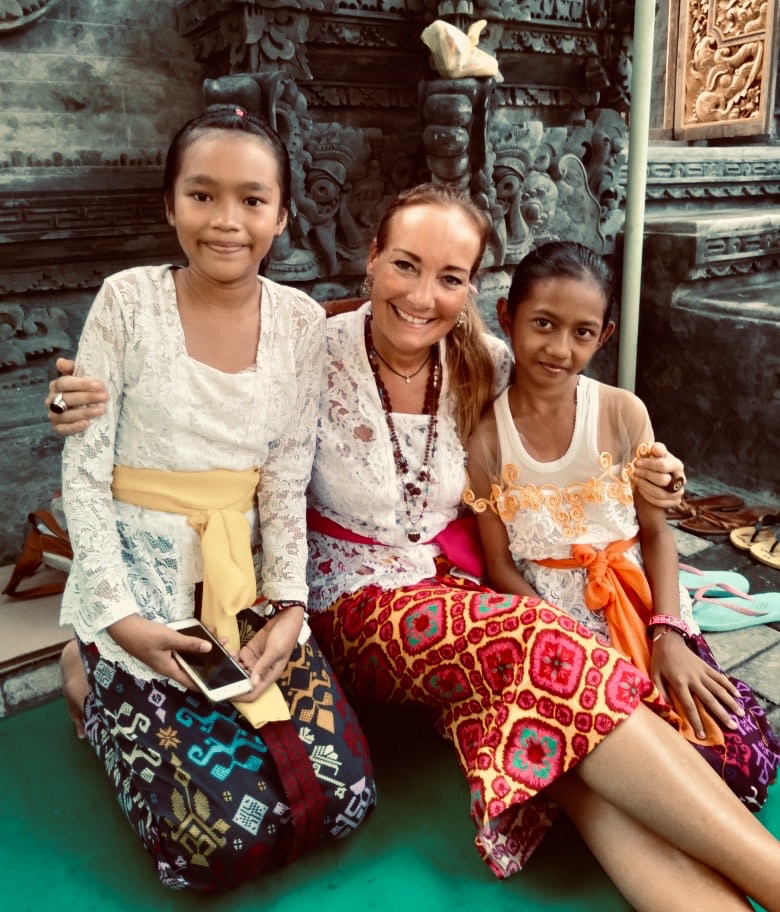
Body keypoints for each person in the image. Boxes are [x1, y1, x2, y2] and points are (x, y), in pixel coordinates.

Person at [48, 184, 780, 911]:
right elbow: (202, 401)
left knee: (563, 751)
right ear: (370, 259)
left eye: (451, 277)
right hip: (351, 608)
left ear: (474, 289)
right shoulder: (308, 342)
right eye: (404, 265)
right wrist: (87, 395)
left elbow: (583, 432)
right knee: (541, 645)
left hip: (458, 595)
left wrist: (660, 477)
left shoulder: (487, 363)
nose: (423, 296)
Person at [54, 105, 375, 892]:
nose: (226, 222)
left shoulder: (303, 323)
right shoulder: (127, 303)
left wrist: (292, 608)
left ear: (283, 215)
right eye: (201, 196)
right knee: (218, 843)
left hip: (245, 586)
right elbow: (85, 473)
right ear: (169, 204)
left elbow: (288, 476)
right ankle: (84, 664)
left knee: (345, 793)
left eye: (252, 200)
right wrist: (120, 618)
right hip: (136, 583)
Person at [463, 240, 780, 807]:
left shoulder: (621, 412)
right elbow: (500, 566)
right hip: (555, 629)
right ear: (507, 317)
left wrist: (669, 633)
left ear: (604, 336)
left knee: (732, 762)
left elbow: (657, 534)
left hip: (644, 610)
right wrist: (567, 640)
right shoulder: (487, 438)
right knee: (620, 777)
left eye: (582, 332)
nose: (560, 348)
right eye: (543, 323)